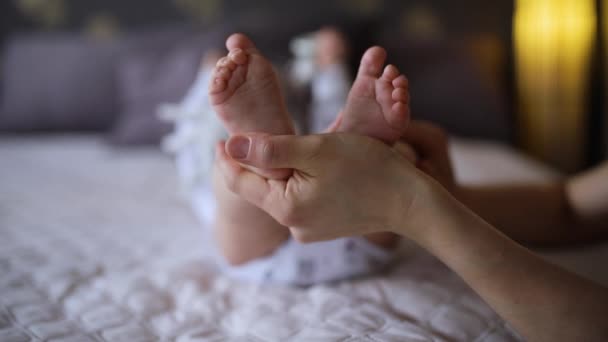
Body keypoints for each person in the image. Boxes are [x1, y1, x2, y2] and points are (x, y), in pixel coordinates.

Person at [214, 119, 608, 340]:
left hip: (268, 248)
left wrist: (414, 205)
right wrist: (447, 197)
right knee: (238, 210)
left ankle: (257, 127)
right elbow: (571, 208)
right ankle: (279, 128)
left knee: (230, 200)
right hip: (366, 244)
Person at [203, 33, 412, 285]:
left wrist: (210, 65)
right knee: (336, 137)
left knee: (229, 178)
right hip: (360, 235)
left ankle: (264, 158)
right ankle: (362, 151)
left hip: (259, 258)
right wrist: (333, 59)